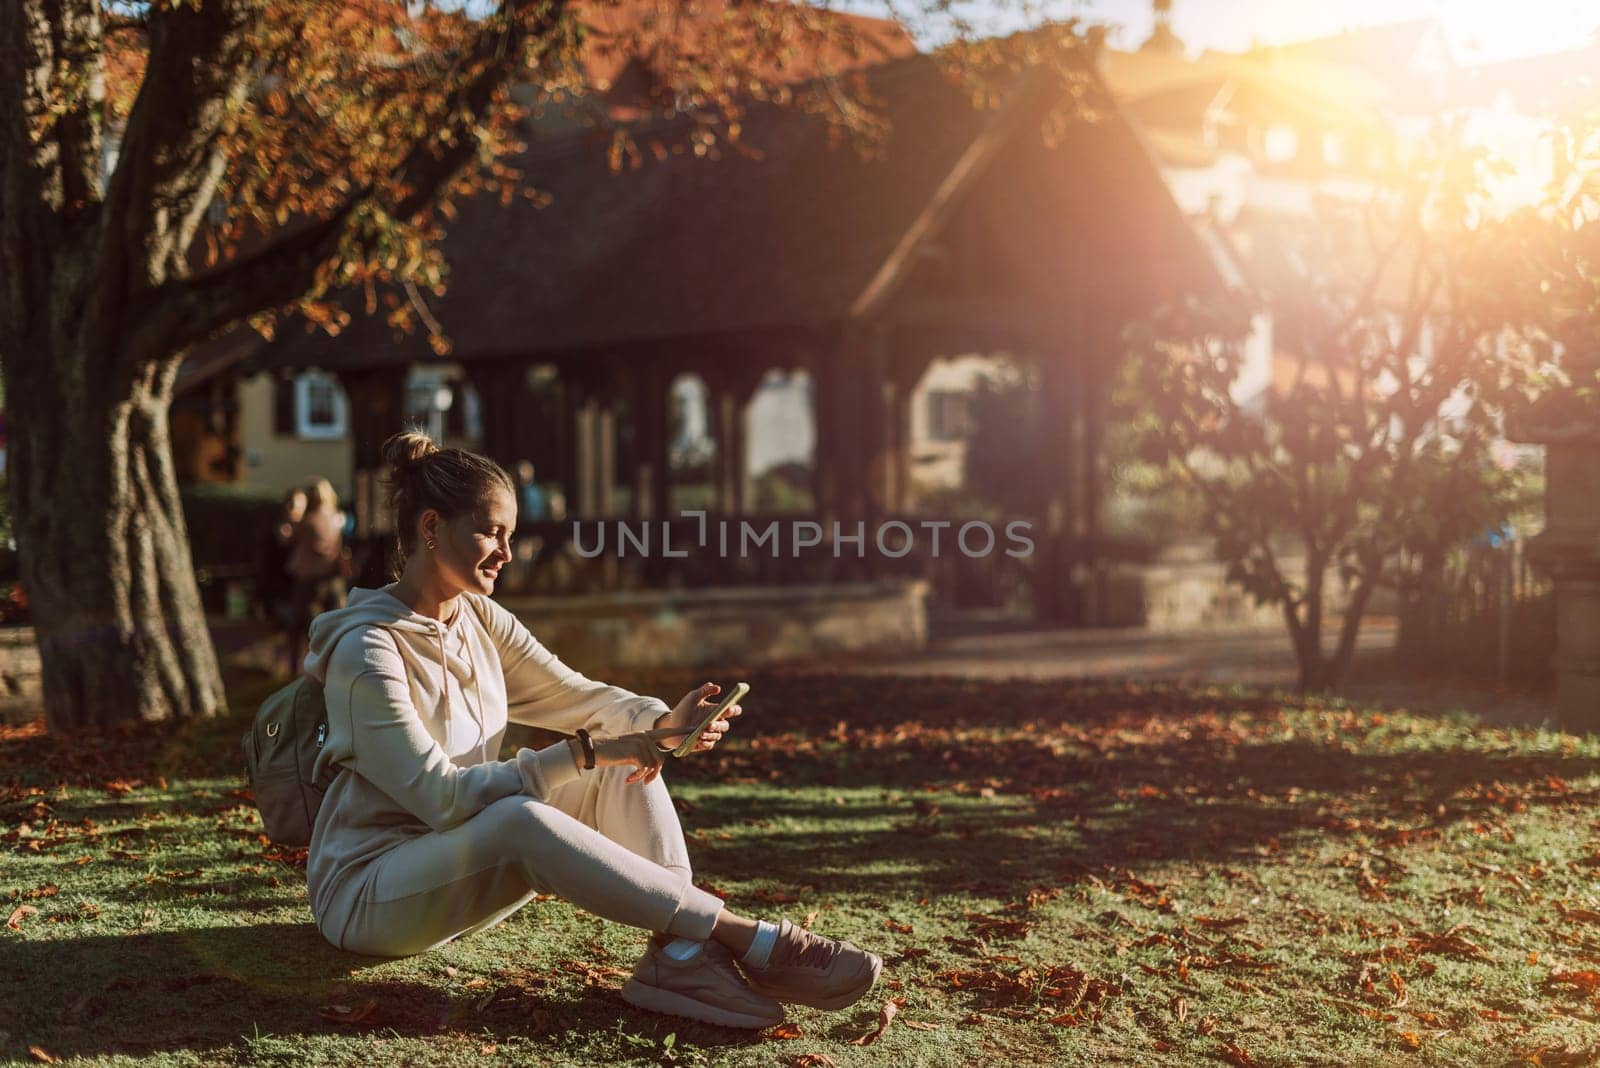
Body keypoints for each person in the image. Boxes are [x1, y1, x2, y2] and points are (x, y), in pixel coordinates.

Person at [300, 430, 880, 1029]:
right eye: (491, 532)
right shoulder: (366, 653)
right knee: (524, 812)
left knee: (620, 767)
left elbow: (575, 697)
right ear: (430, 528)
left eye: (511, 536)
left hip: (457, 864)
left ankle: (678, 955)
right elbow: (442, 799)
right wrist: (584, 754)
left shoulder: (477, 618)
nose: (507, 552)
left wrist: (659, 725)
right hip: (369, 895)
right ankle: (745, 936)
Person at [287, 477, 348, 675]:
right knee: (333, 631)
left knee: (303, 628)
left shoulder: (307, 522)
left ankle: (299, 671)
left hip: (309, 581)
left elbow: (292, 541)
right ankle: (332, 671)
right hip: (333, 579)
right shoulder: (338, 518)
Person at [258, 487, 307, 668]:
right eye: (294, 506)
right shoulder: (277, 532)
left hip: (298, 589)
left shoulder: (304, 532)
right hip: (282, 591)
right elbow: (270, 566)